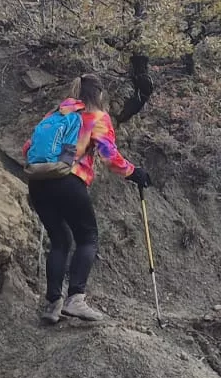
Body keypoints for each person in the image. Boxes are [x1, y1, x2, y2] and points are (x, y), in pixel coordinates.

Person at [28, 75, 151, 324]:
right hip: (69, 181)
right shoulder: (97, 117)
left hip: (38, 182)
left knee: (60, 240)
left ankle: (53, 304)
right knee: (88, 237)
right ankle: (76, 300)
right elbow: (108, 155)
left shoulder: (54, 115)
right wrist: (134, 172)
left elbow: (28, 148)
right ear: (100, 94)